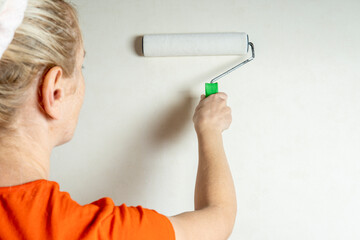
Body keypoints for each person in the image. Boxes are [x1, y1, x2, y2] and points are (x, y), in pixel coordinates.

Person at [0, 0, 236, 239]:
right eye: (82, 66)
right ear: (55, 92)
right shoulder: (98, 232)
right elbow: (219, 218)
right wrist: (210, 130)